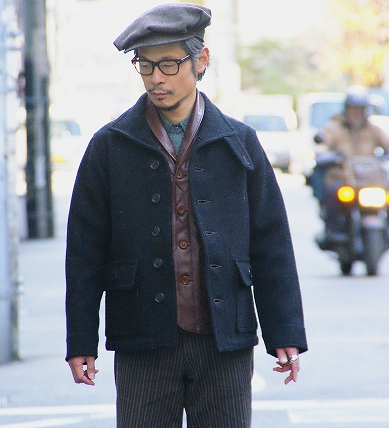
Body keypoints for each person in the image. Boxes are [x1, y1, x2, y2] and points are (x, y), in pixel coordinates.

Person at [64, 3, 307, 427]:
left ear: (202, 60)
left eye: (169, 64)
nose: (156, 78)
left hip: (224, 338)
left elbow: (271, 243)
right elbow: (85, 252)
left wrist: (284, 331)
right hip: (142, 337)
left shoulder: (239, 142)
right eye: (145, 65)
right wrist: (81, 340)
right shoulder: (109, 146)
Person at [314, 85, 389, 247]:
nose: (356, 113)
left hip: (370, 179)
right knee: (332, 193)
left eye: (359, 109)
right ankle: (332, 230)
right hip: (343, 177)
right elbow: (323, 144)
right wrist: (326, 154)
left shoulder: (373, 129)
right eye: (353, 109)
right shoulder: (334, 127)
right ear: (346, 109)